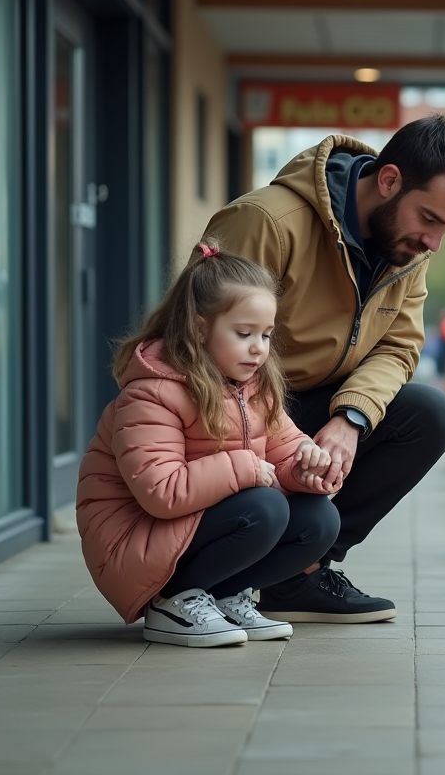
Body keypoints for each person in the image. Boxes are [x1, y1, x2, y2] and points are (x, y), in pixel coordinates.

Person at [202, 114, 445, 623]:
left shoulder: (407, 252)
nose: (434, 243)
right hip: (236, 410)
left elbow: (399, 347)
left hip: (317, 403)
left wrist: (351, 417)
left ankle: (301, 573)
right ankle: (212, 569)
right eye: (429, 218)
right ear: (388, 180)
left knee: (429, 413)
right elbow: (199, 343)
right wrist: (278, 434)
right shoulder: (266, 222)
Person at [75, 241, 342, 647]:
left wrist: (309, 468)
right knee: (264, 507)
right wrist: (247, 468)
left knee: (320, 520)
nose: (259, 348)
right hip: (134, 537)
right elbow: (162, 493)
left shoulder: (252, 386)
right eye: (243, 333)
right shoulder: (153, 392)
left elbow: (284, 449)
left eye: (266, 334)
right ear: (200, 328)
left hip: (190, 525)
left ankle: (220, 595)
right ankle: (171, 600)